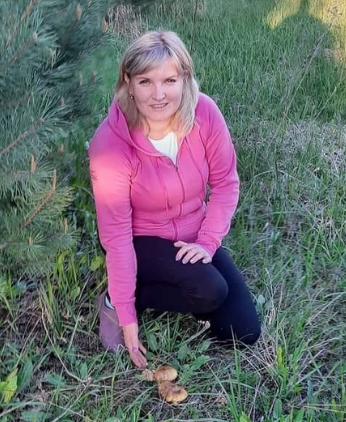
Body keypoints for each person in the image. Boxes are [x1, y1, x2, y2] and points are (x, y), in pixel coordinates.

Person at [88, 30, 261, 368]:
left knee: (243, 332)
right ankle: (115, 297)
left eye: (169, 80)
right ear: (128, 82)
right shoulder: (109, 145)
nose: (158, 95)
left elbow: (226, 182)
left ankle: (165, 285)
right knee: (209, 288)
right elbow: (118, 237)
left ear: (185, 78)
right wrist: (127, 317)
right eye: (145, 81)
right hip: (140, 240)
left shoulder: (205, 113)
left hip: (191, 234)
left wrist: (208, 243)